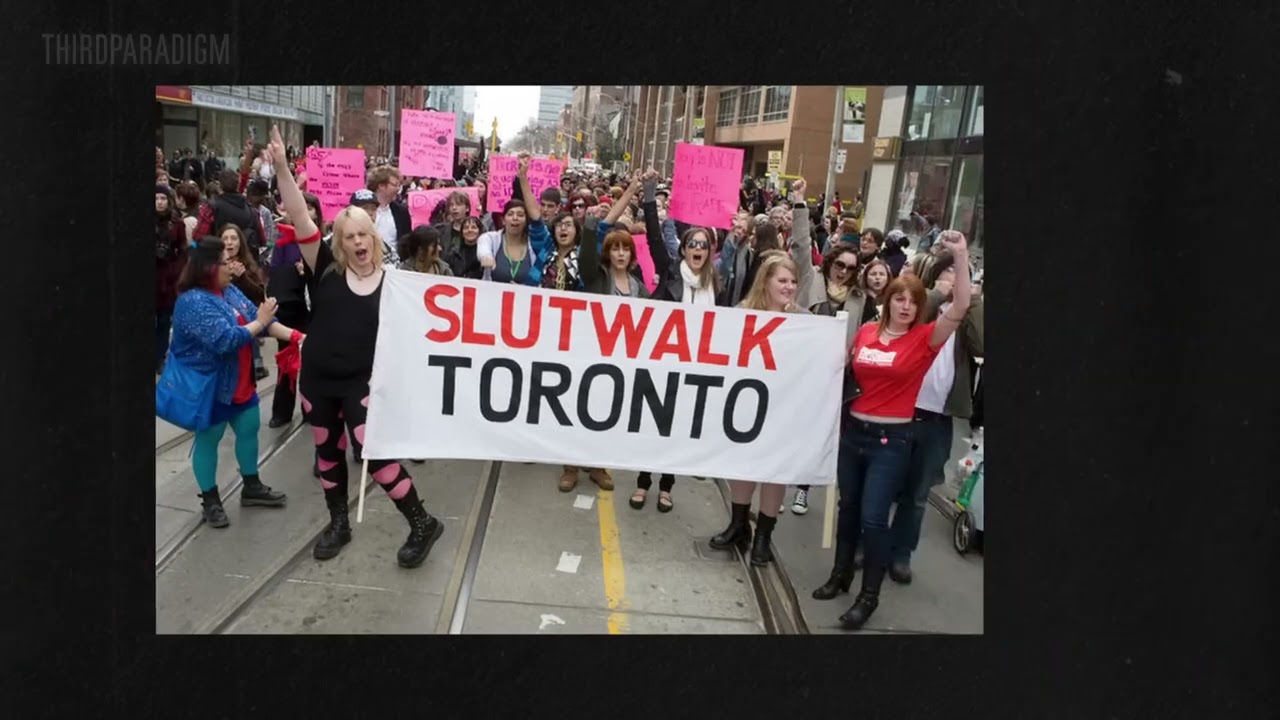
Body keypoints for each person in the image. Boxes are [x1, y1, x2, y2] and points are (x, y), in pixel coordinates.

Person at [266, 124, 444, 569]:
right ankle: (338, 523)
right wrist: (284, 169)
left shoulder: (395, 284)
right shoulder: (325, 267)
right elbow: (300, 216)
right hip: (317, 382)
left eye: (364, 234)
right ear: (340, 243)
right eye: (349, 236)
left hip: (362, 384)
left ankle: (422, 522)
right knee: (327, 454)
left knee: (376, 458)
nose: (358, 241)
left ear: (374, 237)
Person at [811, 230, 972, 630]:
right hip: (854, 434)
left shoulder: (925, 339)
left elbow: (961, 305)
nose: (905, 306)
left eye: (913, 301)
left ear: (921, 308)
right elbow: (842, 366)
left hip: (891, 442)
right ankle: (840, 575)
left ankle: (869, 596)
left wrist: (961, 255)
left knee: (873, 518)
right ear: (888, 301)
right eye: (899, 299)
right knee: (848, 510)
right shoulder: (867, 332)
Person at [167, 236, 301, 527]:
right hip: (211, 388)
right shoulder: (192, 302)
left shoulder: (229, 291)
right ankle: (210, 499)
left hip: (240, 382)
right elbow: (225, 339)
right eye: (225, 262)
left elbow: (262, 321)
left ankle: (251, 486)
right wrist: (260, 320)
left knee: (249, 430)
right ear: (208, 267)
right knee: (209, 440)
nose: (232, 266)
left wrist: (296, 337)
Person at [887, 248, 983, 583]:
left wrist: (973, 302)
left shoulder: (966, 314)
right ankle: (866, 546)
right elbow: (906, 321)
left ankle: (901, 554)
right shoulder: (917, 306)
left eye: (961, 275)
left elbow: (981, 344)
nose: (955, 281)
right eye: (949, 273)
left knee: (916, 495)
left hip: (937, 418)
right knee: (883, 486)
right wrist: (939, 293)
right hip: (900, 410)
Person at [708, 251, 806, 564]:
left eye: (793, 281)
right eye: (783, 280)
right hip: (748, 404)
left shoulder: (805, 320)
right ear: (765, 282)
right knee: (745, 465)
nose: (789, 286)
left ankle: (764, 536)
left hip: (785, 408)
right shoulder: (743, 312)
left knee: (775, 472)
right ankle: (739, 525)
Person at [264, 193, 320, 428]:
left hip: (316, 309)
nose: (306, 211)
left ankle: (312, 408)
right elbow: (274, 272)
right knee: (287, 360)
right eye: (302, 206)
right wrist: (295, 270)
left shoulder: (323, 240)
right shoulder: (284, 241)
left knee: (313, 361)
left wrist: (309, 271)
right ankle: (282, 411)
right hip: (291, 308)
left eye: (311, 207)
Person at [476, 154, 553, 286]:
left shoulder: (535, 245)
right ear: (503, 220)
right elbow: (483, 248)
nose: (515, 218)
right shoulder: (490, 239)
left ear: (526, 220)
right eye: (510, 214)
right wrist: (486, 257)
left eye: (520, 215)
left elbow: (536, 218)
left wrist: (523, 177)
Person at [156, 185, 188, 373]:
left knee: (164, 320)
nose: (160, 202)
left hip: (167, 278)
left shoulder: (177, 223)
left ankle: (160, 356)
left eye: (163, 198)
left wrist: (177, 270)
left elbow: (183, 249)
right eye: (156, 198)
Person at [368, 165, 411, 266]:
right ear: (381, 186)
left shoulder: (401, 212)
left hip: (394, 267)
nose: (398, 189)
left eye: (399, 185)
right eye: (395, 185)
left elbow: (407, 242)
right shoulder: (361, 209)